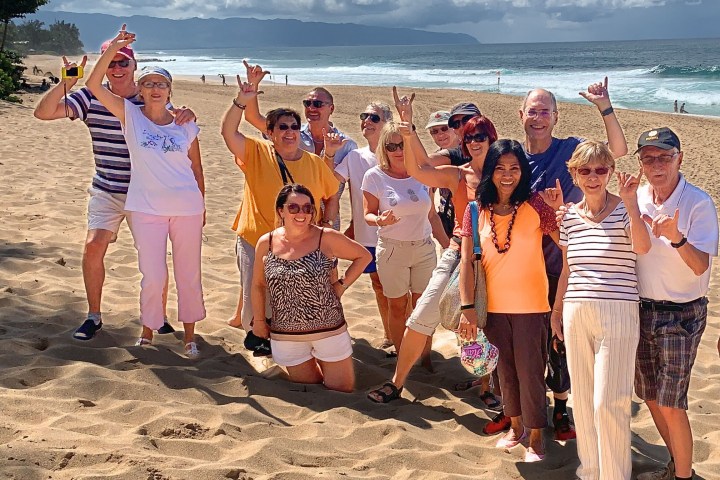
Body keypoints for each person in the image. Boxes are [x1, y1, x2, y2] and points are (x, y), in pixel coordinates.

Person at [33, 33, 194, 340]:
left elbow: (175, 126)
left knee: (154, 259)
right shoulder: (89, 98)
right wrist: (67, 82)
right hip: (107, 187)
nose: (117, 68)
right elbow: (42, 113)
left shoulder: (148, 95)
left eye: (124, 61)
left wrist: (186, 113)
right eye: (111, 62)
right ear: (104, 67)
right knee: (94, 246)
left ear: (134, 65)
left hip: (146, 192)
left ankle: (156, 317)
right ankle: (94, 316)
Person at [85, 27, 206, 356]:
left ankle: (191, 336)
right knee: (152, 275)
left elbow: (196, 168)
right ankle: (148, 330)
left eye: (161, 84)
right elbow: (93, 84)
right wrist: (115, 49)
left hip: (187, 208)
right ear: (140, 88)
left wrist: (203, 206)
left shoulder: (186, 124)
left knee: (188, 274)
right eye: (149, 83)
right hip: (146, 209)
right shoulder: (130, 116)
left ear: (170, 91)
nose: (155, 89)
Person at [520, 78, 628, 440]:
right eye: (532, 111)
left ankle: (562, 410)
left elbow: (617, 150)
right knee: (532, 342)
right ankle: (525, 406)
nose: (538, 118)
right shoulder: (515, 160)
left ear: (556, 116)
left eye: (545, 111)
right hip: (523, 269)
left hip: (562, 266)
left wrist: (605, 108)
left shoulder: (569, 149)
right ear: (522, 115)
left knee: (559, 343)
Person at [366, 113, 500, 406]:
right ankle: (397, 382)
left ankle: (487, 386)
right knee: (420, 316)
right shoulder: (457, 174)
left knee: (488, 324)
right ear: (463, 143)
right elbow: (419, 170)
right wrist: (408, 132)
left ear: (492, 138)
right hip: (456, 254)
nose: (475, 142)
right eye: (469, 138)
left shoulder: (505, 175)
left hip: (494, 258)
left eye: (481, 136)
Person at [458, 139, 563, 463]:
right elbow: (466, 263)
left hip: (532, 307)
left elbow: (567, 243)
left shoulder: (535, 205)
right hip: (492, 308)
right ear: (490, 171)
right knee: (505, 372)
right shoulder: (475, 209)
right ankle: (515, 427)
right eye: (500, 168)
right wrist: (467, 311)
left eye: (514, 168)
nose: (507, 175)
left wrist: (558, 210)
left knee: (531, 372)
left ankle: (536, 437)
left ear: (523, 172)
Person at [552, 141, 651, 480]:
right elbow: (567, 268)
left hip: (619, 311)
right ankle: (591, 470)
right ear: (574, 174)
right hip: (575, 309)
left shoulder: (625, 208)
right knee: (581, 399)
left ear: (610, 171)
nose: (593, 177)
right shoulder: (569, 217)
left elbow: (643, 246)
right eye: (585, 170)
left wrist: (632, 205)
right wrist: (555, 311)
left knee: (609, 403)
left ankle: (614, 475)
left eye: (600, 170)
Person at [220, 78, 340, 334]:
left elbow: (332, 195)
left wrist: (327, 226)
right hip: (256, 240)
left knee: (292, 305)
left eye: (294, 127)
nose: (289, 132)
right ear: (271, 133)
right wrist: (242, 100)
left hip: (300, 246)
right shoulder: (257, 152)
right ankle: (260, 345)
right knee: (256, 306)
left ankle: (286, 350)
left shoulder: (315, 163)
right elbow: (229, 132)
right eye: (282, 127)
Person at [633, 127, 718, 480]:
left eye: (664, 157)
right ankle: (676, 465)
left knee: (672, 402)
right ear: (640, 164)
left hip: (682, 314)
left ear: (679, 158)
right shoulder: (636, 197)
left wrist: (677, 238)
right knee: (650, 395)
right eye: (648, 158)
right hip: (642, 309)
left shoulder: (698, 202)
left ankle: (682, 477)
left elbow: (701, 264)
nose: (656, 165)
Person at [251, 184, 371, 392]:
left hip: (329, 331)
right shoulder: (267, 242)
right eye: (294, 208)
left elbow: (364, 256)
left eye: (308, 208)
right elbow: (258, 285)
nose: (302, 213)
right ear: (281, 210)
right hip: (286, 336)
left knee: (341, 390)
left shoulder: (326, 237)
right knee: (311, 390)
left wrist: (341, 286)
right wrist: (259, 321)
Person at [361, 122, 437, 353]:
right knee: (397, 305)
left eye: (402, 144)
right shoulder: (374, 176)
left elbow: (432, 214)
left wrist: (446, 242)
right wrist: (380, 220)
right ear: (384, 148)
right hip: (393, 249)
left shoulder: (422, 173)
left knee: (423, 307)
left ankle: (424, 357)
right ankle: (403, 354)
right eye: (391, 145)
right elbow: (367, 215)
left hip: (424, 247)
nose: (397, 150)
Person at [334, 102, 394, 348]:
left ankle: (402, 335)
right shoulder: (354, 156)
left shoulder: (397, 154)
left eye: (374, 118)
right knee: (379, 285)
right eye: (364, 116)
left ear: (386, 124)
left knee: (399, 288)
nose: (367, 121)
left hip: (397, 234)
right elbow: (329, 182)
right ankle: (390, 335)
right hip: (367, 234)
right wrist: (328, 153)